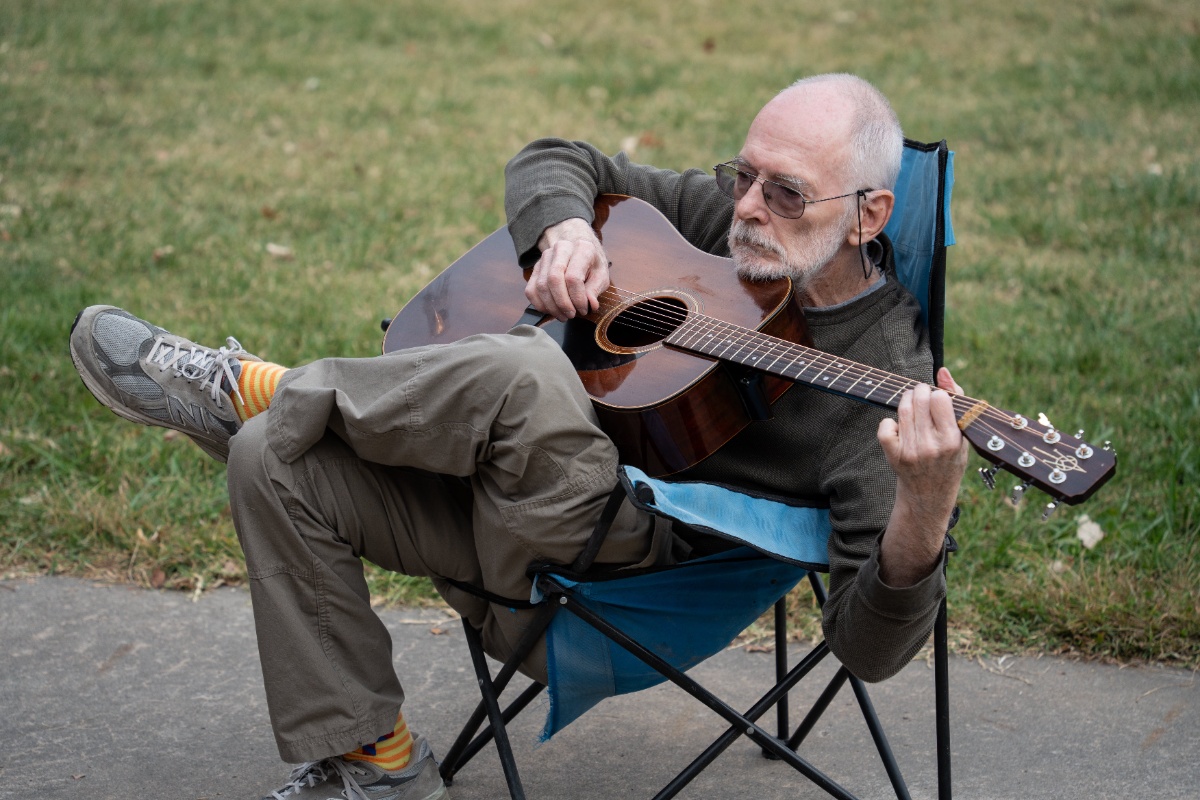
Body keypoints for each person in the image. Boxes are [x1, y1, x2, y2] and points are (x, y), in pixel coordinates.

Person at [68, 73, 969, 800]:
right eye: (742, 176)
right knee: (276, 462)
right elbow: (553, 156)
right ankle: (376, 764)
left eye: (785, 193)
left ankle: (256, 387)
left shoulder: (883, 387)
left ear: (870, 216)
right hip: (501, 498)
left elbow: (870, 651)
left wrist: (923, 511)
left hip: (621, 570)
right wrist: (566, 228)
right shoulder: (724, 223)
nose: (747, 209)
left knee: (527, 371)